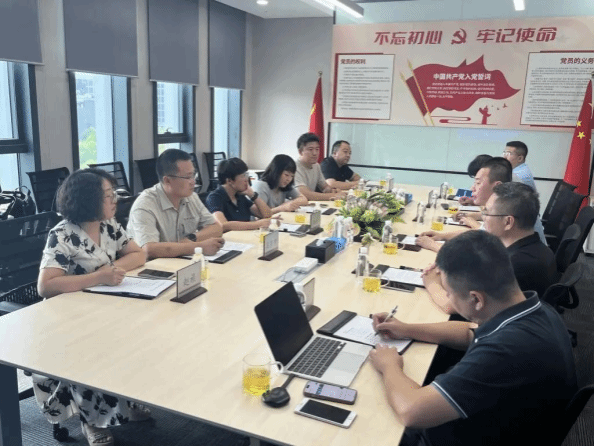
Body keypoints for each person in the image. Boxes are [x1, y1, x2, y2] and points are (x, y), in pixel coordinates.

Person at [370, 231, 576, 446]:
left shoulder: (507, 350)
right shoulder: (534, 309)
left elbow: (412, 411)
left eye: (449, 293)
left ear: (476, 299)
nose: (447, 298)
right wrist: (407, 329)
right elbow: (468, 332)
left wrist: (389, 365)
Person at [36, 168, 149, 446]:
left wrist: (111, 270)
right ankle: (91, 420)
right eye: (108, 195)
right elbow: (46, 286)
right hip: (67, 316)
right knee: (94, 346)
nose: (115, 200)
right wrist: (98, 277)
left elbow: (138, 254)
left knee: (141, 332)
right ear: (88, 199)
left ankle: (125, 403)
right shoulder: (62, 234)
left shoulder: (109, 225)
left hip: (104, 306)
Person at [423, 182, 558, 313]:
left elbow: (453, 306)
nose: (483, 219)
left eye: (487, 213)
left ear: (508, 222)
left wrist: (431, 282)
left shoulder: (515, 265)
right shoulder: (531, 247)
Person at [126, 149, 224, 259]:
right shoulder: (145, 205)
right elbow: (149, 249)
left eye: (193, 175)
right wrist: (198, 247)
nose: (193, 182)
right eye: (187, 177)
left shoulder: (191, 197)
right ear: (167, 180)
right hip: (154, 266)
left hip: (181, 261)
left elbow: (216, 228)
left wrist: (191, 238)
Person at [416, 157, 513, 251]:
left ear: (497, 186)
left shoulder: (501, 218)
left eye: (478, 183)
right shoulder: (497, 210)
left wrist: (433, 245)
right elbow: (477, 234)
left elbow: (472, 257)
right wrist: (442, 236)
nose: (472, 188)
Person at [206, 157, 275, 231]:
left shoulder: (240, 196)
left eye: (246, 175)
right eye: (243, 176)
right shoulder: (214, 197)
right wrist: (257, 224)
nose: (247, 179)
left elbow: (267, 215)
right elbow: (223, 225)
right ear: (229, 181)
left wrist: (252, 195)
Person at [294, 133, 347, 201]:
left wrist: (333, 190)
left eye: (317, 149)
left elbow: (324, 187)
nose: (315, 153)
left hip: (309, 205)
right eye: (310, 149)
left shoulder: (316, 166)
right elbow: (305, 194)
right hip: (294, 206)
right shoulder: (294, 168)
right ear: (300, 152)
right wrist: (334, 195)